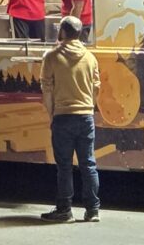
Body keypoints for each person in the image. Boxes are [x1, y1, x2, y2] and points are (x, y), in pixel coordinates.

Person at [40, 16, 101, 223]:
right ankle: (92, 211)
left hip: (63, 117)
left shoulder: (51, 57)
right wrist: (89, 108)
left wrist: (52, 114)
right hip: (85, 117)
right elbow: (96, 87)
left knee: (64, 166)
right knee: (88, 164)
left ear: (62, 33)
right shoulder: (90, 57)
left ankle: (64, 210)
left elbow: (47, 90)